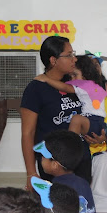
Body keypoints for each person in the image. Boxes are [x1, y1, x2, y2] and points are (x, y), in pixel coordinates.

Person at [21, 36, 92, 186]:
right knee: (59, 200)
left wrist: (98, 136)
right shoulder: (35, 89)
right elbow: (28, 133)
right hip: (54, 164)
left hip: (81, 159)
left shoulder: (75, 83)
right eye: (69, 55)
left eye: (73, 54)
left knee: (83, 199)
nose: (74, 59)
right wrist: (31, 172)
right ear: (53, 60)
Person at [34, 55, 107, 137]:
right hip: (94, 121)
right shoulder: (92, 86)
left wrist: (46, 79)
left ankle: (71, 142)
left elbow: (65, 87)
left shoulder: (86, 86)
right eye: (70, 76)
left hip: (95, 120)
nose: (72, 79)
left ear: (85, 76)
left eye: (75, 75)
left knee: (76, 119)